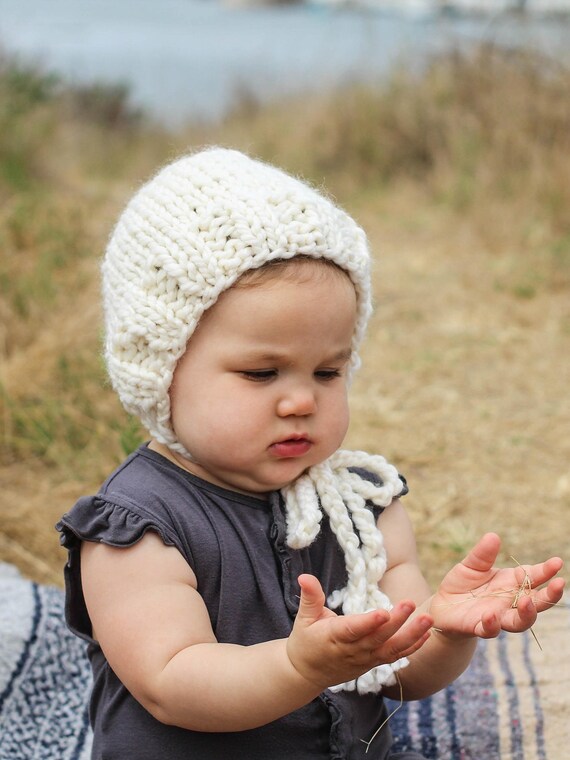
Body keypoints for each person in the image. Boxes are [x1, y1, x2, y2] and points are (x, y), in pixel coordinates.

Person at [57, 148, 564, 760]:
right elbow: (173, 683)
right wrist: (302, 666)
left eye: (328, 371)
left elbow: (404, 672)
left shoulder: (359, 506)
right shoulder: (136, 527)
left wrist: (445, 628)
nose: (301, 400)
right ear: (162, 372)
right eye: (261, 372)